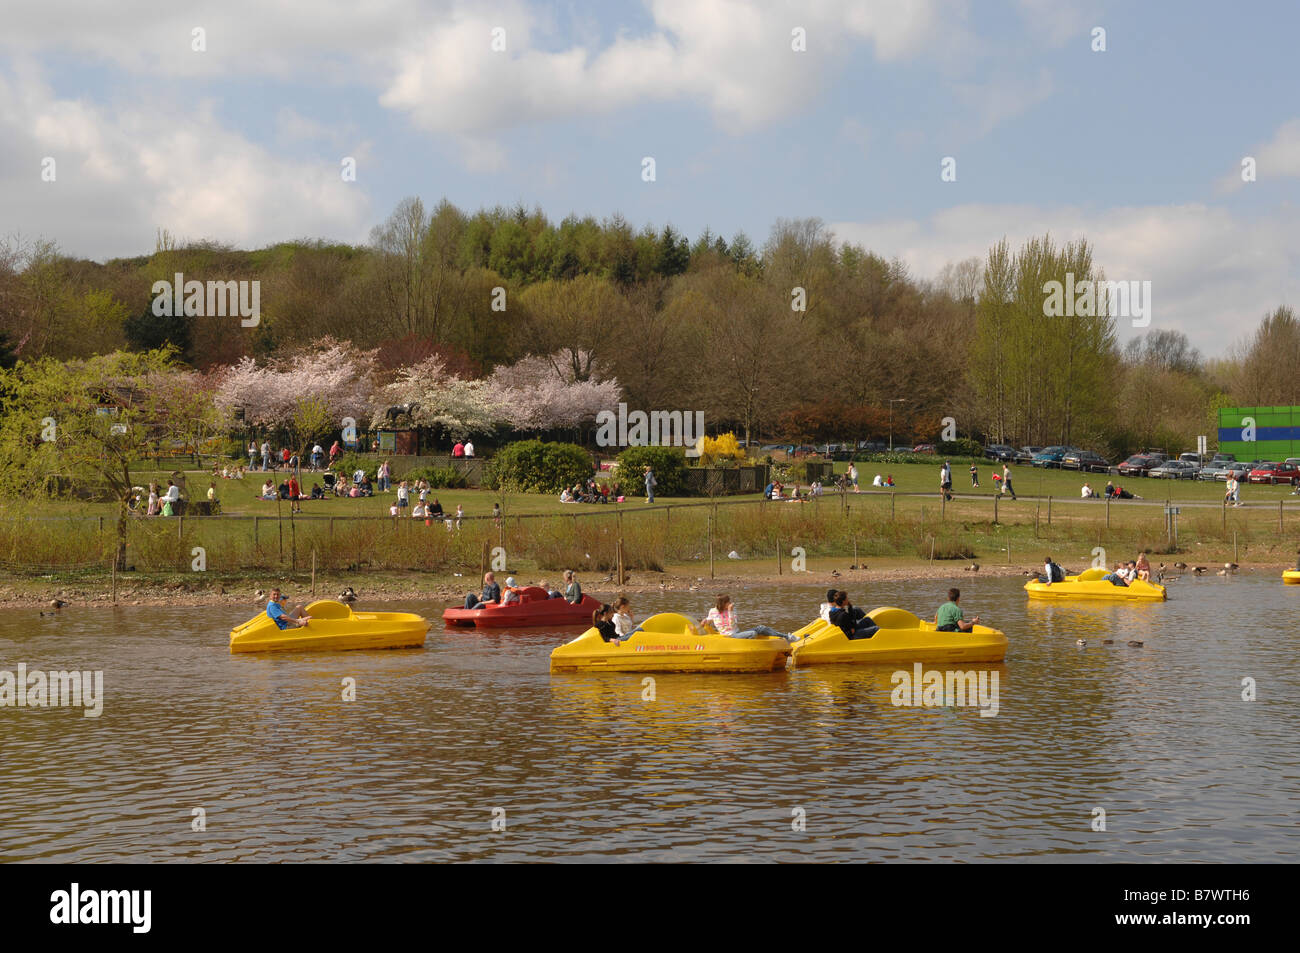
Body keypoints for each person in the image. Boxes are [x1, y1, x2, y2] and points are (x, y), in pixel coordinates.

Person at [702, 594, 792, 641]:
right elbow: (708, 622)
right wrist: (704, 622)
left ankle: (787, 637)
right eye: (728, 602)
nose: (730, 603)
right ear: (722, 603)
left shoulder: (732, 610)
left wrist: (730, 611)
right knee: (752, 633)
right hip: (729, 637)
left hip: (736, 633)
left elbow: (733, 625)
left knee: (761, 628)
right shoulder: (712, 611)